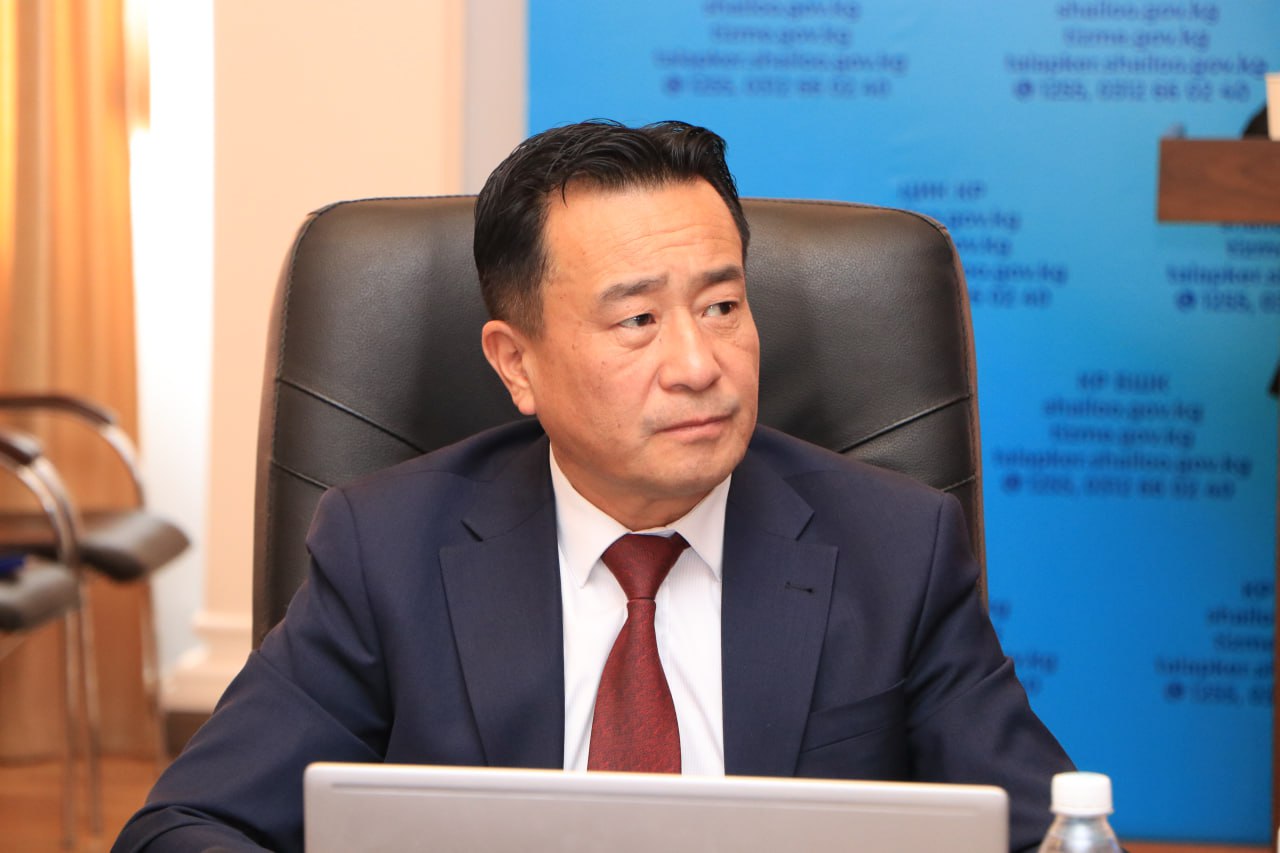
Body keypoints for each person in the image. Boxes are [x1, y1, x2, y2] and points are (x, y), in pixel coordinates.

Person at [114, 120, 1073, 853]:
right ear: (516, 363)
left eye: (723, 305)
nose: (699, 363)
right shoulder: (386, 548)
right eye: (637, 321)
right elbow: (185, 826)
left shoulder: (896, 548)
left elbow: (1050, 835)